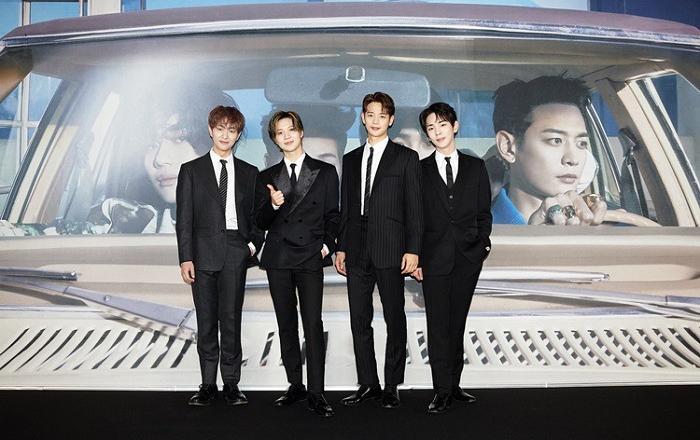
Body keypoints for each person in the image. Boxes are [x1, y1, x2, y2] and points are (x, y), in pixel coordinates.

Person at [335, 92, 423, 409]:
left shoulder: (406, 158)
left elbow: (415, 209)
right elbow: (346, 209)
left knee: (394, 317)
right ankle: (368, 383)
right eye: (370, 115)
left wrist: (413, 250)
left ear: (391, 119)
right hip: (356, 249)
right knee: (360, 319)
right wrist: (341, 247)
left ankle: (391, 384)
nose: (375, 120)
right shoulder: (350, 159)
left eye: (381, 115)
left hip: (391, 248)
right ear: (363, 118)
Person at [176, 105, 264, 407]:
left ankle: (231, 384)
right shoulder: (191, 170)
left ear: (238, 135)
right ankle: (207, 384)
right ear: (210, 130)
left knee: (231, 320)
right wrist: (186, 258)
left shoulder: (250, 173)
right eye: (220, 128)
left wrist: (250, 246)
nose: (226, 135)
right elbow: (184, 219)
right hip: (202, 255)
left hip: (235, 251)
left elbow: (258, 218)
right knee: (206, 322)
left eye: (232, 130)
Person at [254, 111, 340, 417]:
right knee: (286, 322)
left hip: (310, 256)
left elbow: (333, 215)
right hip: (278, 257)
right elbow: (260, 221)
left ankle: (317, 391)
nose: (287, 136)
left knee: (313, 323)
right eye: (280, 133)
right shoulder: (266, 177)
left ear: (301, 132)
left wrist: (326, 247)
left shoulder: (325, 171)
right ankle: (295, 384)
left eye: (291, 130)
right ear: (275, 140)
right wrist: (273, 205)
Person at [412, 102, 492, 414]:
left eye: (442, 125)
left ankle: (454, 385)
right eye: (431, 128)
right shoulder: (420, 170)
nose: (437, 132)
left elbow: (483, 213)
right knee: (437, 325)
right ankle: (441, 390)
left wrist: (481, 247)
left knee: (457, 323)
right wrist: (416, 258)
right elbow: (414, 218)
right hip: (433, 259)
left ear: (455, 126)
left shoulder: (476, 167)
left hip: (467, 258)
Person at [490, 75, 608, 225]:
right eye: (556, 140)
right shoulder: (473, 231)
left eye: (581, 143)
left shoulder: (599, 223)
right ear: (508, 147)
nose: (572, 159)